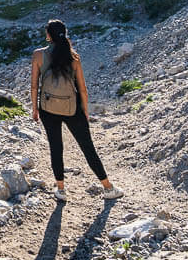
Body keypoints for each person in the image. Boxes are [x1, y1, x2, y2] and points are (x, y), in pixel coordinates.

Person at [30, 19, 121, 201]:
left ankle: (61, 190)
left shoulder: (38, 55)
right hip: (73, 109)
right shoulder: (74, 57)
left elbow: (34, 86)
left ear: (48, 36)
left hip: (48, 109)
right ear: (65, 34)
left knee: (56, 147)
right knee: (87, 147)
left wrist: (35, 109)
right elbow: (82, 89)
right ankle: (108, 187)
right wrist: (84, 110)